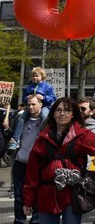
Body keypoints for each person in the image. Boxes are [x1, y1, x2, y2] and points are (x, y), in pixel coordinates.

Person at [22, 97, 95, 224]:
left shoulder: (81, 135)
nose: (62, 113)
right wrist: (28, 200)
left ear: (73, 114)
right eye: (58, 110)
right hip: (47, 193)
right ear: (53, 113)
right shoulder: (43, 138)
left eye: (67, 110)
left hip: (72, 193)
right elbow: (32, 172)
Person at [12, 95, 44, 224]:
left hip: (38, 164)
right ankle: (19, 220)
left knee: (38, 193)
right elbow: (10, 134)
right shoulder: (20, 120)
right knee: (19, 195)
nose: (31, 107)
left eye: (34, 104)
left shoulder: (47, 122)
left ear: (41, 104)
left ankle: (36, 220)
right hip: (20, 163)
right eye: (28, 104)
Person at [11, 67, 57, 150]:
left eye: (37, 76)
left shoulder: (47, 86)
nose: (34, 78)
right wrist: (27, 98)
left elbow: (53, 98)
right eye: (33, 76)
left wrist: (43, 98)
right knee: (21, 118)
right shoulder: (29, 87)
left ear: (42, 76)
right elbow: (24, 99)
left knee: (44, 116)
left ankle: (41, 136)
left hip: (44, 106)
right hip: (30, 107)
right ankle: (15, 140)